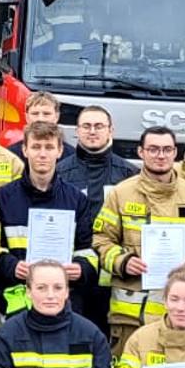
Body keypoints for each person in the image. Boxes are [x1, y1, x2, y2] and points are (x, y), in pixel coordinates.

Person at [92, 126, 185, 351]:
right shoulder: (120, 194)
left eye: (166, 149)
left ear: (175, 153)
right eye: (153, 149)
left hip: (182, 320)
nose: (160, 155)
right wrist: (123, 262)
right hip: (130, 318)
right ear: (141, 153)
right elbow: (101, 240)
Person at [0, 121, 96, 339]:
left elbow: (88, 249)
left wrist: (81, 268)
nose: (42, 154)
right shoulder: (3, 197)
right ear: (24, 150)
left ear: (60, 151)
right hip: (14, 304)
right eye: (36, 147)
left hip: (63, 303)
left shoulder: (77, 200)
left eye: (49, 147)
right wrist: (12, 266)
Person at [56, 105, 134, 329]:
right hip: (73, 273)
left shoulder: (128, 175)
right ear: (77, 131)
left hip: (115, 274)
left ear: (111, 130)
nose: (92, 131)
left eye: (99, 126)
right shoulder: (59, 173)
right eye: (86, 126)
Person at [6, 91, 59, 163]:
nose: (40, 118)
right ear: (27, 117)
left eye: (46, 114)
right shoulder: (9, 156)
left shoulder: (71, 155)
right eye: (35, 114)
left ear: (56, 117)